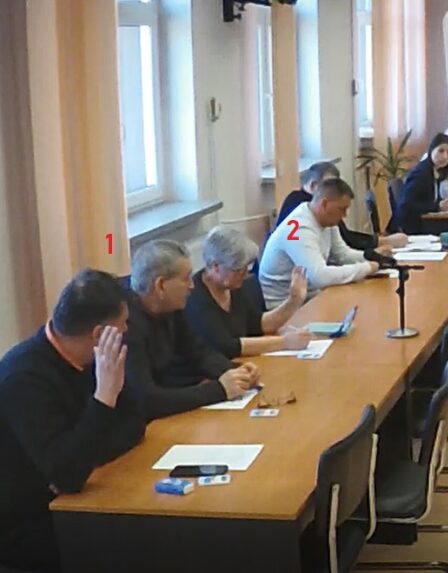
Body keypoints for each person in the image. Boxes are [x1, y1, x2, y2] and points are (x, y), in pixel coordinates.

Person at [0, 270, 145, 572]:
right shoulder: (23, 377)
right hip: (31, 521)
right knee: (143, 543)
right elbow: (68, 474)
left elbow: (134, 424)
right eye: (123, 324)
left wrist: (85, 456)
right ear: (99, 334)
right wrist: (104, 398)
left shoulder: (95, 358)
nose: (126, 330)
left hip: (81, 494)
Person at [124, 240, 258, 420]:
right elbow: (147, 399)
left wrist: (236, 371)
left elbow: (198, 352)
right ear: (160, 285)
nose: (192, 286)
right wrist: (219, 390)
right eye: (186, 278)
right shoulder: (124, 324)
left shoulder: (171, 306)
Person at [185, 227, 313, 358]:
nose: (245, 273)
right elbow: (227, 347)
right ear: (216, 266)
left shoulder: (238, 286)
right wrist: (285, 342)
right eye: (238, 269)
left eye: (248, 266)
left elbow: (258, 325)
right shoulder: (195, 298)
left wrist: (294, 300)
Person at [260, 178, 381, 308]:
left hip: (310, 296)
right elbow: (319, 276)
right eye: (342, 209)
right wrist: (367, 268)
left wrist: (374, 257)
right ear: (324, 204)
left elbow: (342, 255)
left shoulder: (327, 221)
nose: (344, 215)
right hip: (284, 305)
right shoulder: (299, 228)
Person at [276, 162, 406, 252]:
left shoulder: (313, 204)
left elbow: (341, 247)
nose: (336, 190)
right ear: (314, 185)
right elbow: (346, 239)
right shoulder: (301, 207)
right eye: (329, 185)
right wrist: (382, 242)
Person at [387, 134, 448, 235]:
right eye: (441, 151)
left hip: (422, 221)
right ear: (431, 150)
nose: (445, 156)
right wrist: (437, 206)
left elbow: (427, 199)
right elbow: (407, 206)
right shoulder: (421, 173)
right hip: (410, 227)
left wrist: (441, 203)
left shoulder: (435, 171)